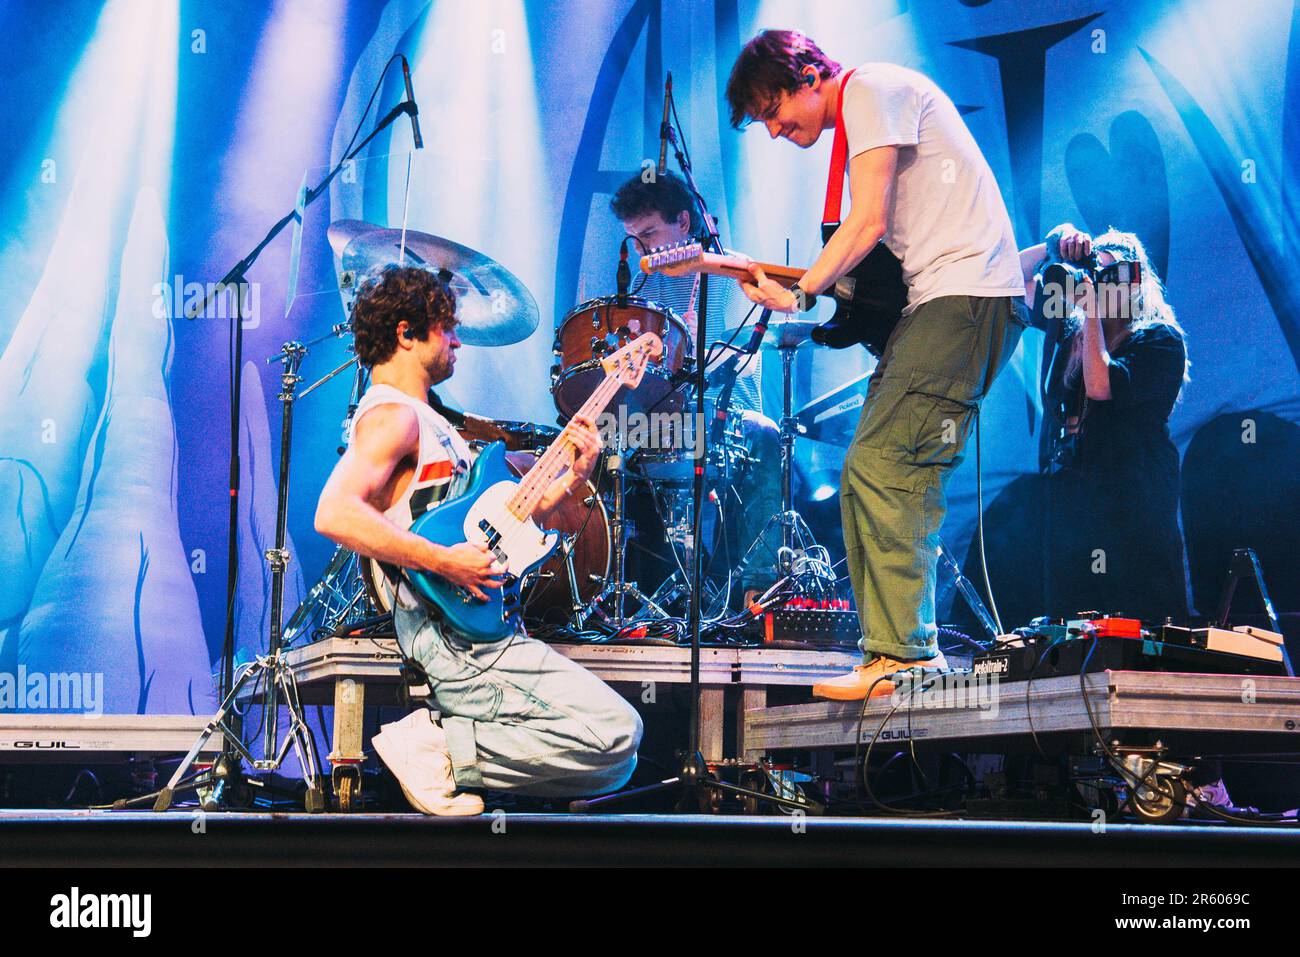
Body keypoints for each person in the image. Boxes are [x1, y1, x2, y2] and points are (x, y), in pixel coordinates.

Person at [724, 30, 1029, 699]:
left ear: (808, 74)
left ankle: (908, 656)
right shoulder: (865, 107)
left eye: (773, 109)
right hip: (943, 300)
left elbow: (866, 224)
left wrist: (802, 291)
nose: (775, 130)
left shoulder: (872, 88)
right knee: (868, 470)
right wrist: (801, 292)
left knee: (888, 467)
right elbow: (872, 264)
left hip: (966, 296)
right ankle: (889, 653)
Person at [315, 263, 642, 814]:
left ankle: (452, 745)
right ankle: (437, 746)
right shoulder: (394, 416)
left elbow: (526, 521)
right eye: (446, 327)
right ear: (405, 333)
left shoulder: (433, 423)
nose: (458, 340)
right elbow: (334, 513)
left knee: (615, 762)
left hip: (478, 624)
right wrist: (445, 561)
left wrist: (578, 477)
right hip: (452, 635)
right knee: (617, 731)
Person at [609, 171, 783, 591]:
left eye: (650, 234)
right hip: (666, 424)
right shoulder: (644, 281)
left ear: (684, 223)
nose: (644, 249)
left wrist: (684, 365)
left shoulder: (729, 271)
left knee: (768, 435)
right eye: (635, 240)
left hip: (728, 419)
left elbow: (743, 354)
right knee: (602, 438)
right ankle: (624, 584)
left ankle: (755, 590)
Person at [1020, 224, 1190, 623]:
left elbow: (1100, 386)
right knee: (1072, 602)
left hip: (1132, 484)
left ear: (1136, 281)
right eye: (1095, 275)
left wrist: (1091, 308)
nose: (1101, 285)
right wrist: (1051, 247)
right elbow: (1009, 282)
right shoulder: (1069, 326)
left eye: (1111, 275)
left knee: (1133, 601)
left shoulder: (1160, 339)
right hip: (1074, 478)